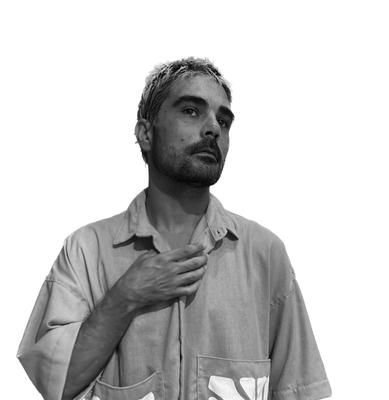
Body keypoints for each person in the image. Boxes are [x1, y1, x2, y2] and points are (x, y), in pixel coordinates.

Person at [17, 57, 332, 400]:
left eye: (224, 121)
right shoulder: (86, 251)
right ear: (145, 134)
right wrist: (126, 297)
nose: (213, 129)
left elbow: (299, 391)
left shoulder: (264, 254)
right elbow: (57, 384)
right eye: (191, 111)